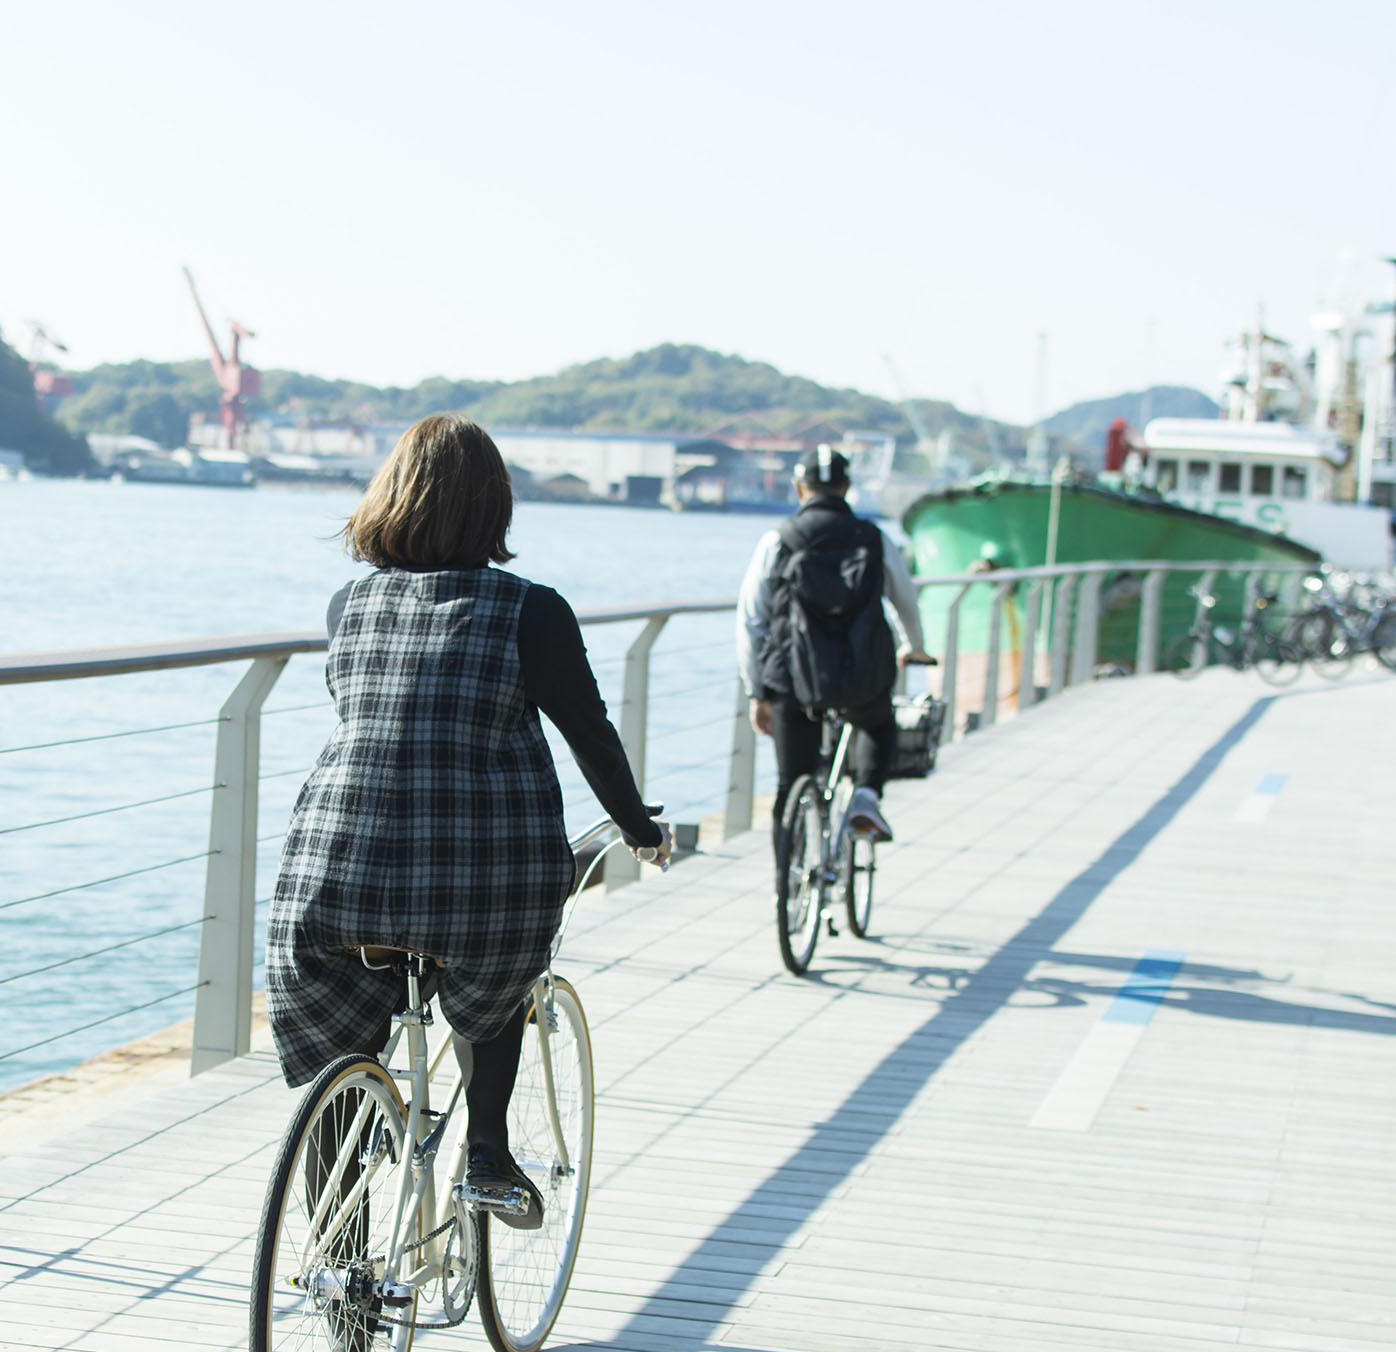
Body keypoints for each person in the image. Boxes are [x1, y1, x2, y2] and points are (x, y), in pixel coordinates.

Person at [267, 414, 667, 1230]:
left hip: (332, 874)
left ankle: (338, 1250)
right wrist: (638, 825)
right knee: (499, 980)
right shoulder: (532, 612)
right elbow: (588, 731)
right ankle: (486, 1150)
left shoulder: (348, 603)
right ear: (496, 508)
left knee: (344, 1046)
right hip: (475, 883)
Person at [736, 444, 934, 847]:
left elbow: (751, 621)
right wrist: (914, 646)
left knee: (791, 784)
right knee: (879, 723)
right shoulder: (874, 537)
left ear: (798, 488)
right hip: (863, 673)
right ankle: (866, 796)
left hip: (794, 680)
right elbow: (905, 599)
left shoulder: (779, 540)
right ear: (846, 488)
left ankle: (785, 893)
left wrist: (757, 690)